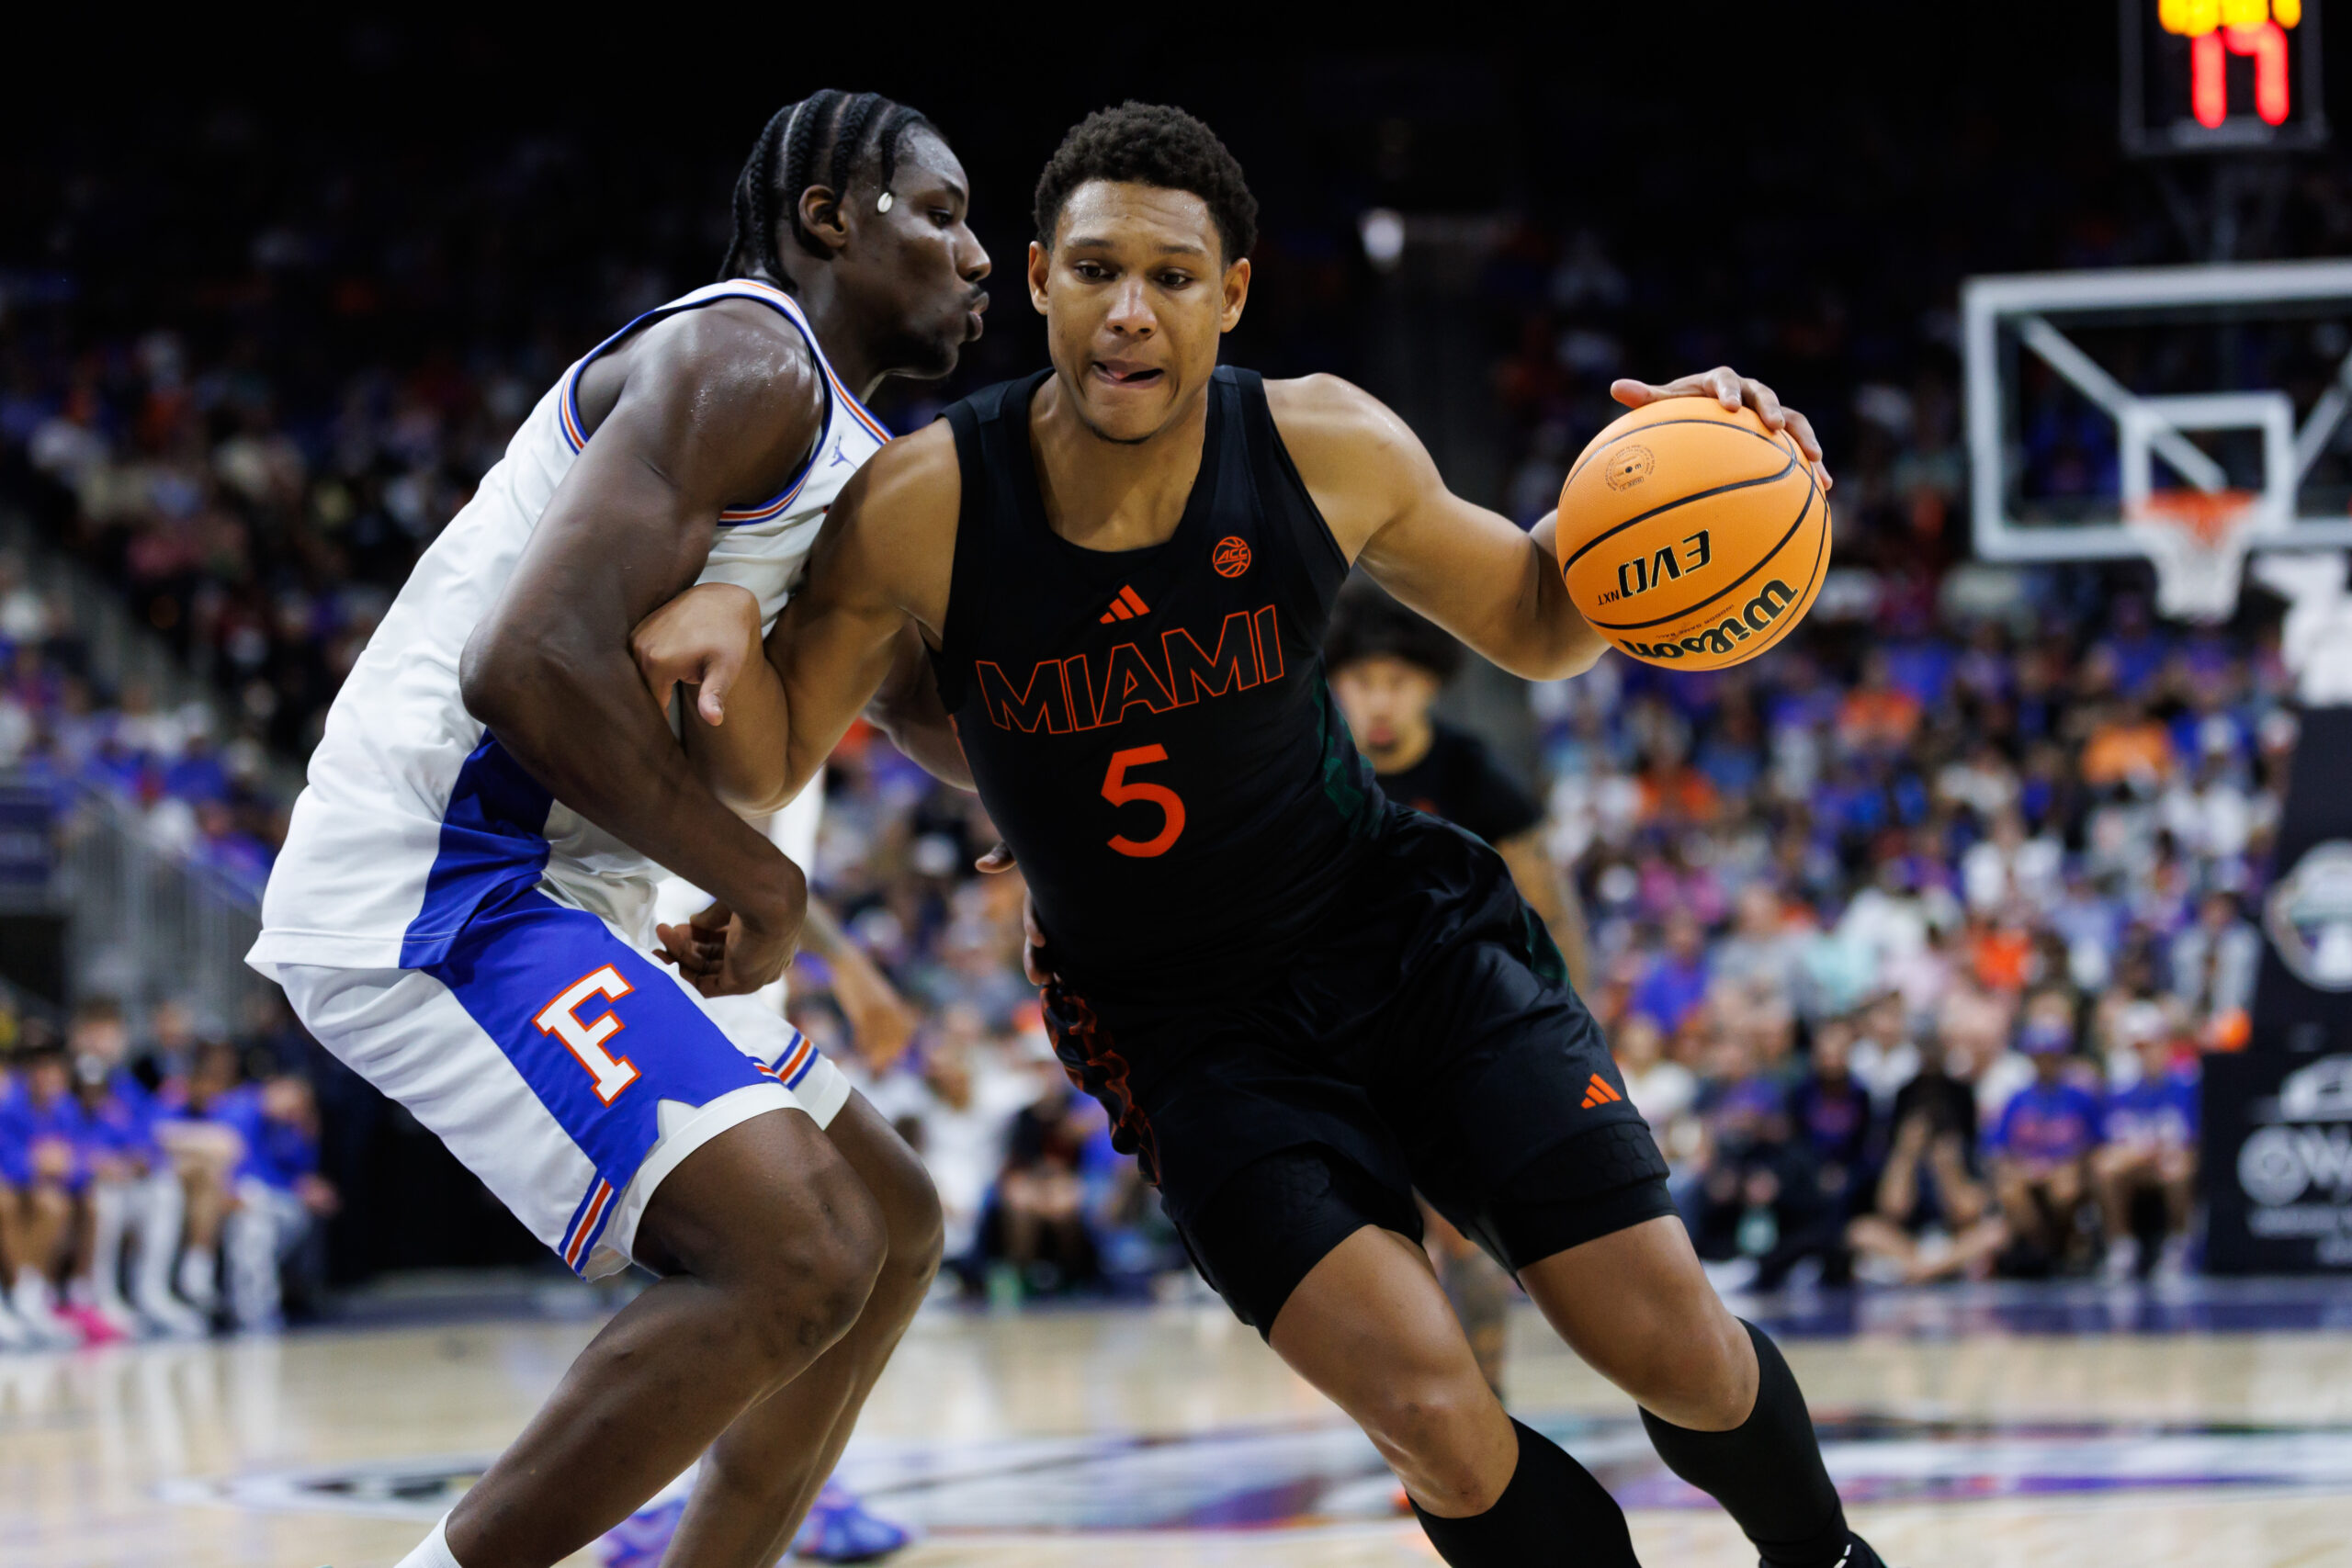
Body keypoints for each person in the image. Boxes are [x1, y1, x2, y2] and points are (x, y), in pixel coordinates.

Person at [637, 102, 1879, 1568]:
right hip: (1182, 1030)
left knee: (1674, 1344)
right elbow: (774, 749)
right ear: (1037, 277)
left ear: (1232, 294)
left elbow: (1543, 617)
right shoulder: (923, 503)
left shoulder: (1325, 441)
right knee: (1435, 1410)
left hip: (1402, 941)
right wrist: (724, 609)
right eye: (1096, 270)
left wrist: (1695, 462)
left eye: (1172, 277)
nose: (1129, 313)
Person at [245, 88, 990, 1568]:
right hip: (443, 875)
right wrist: (760, 880)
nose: (979, 257)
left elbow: (929, 714)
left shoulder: (856, 456)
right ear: (829, 218)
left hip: (568, 886)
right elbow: (522, 665)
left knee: (889, 1222)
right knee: (793, 1247)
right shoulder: (744, 355)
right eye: (945, 212)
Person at [1325, 580, 1589, 1398]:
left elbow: (1549, 911)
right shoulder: (1308, 773)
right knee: (1365, 1247)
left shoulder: (1475, 778)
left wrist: (1575, 1025)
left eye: (1396, 681)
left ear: (1431, 685)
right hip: (1336, 1030)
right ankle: (1419, 1421)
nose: (1378, 699)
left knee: (1464, 1240)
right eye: (1363, 680)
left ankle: (1490, 1413)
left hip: (1456, 1031)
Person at [1988, 1036, 2106, 1273]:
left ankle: (2066, 1246)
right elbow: (2000, 1149)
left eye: (2051, 1057)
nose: (2046, 1063)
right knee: (2010, 1191)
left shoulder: (2078, 1097)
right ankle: (2042, 1250)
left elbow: (2095, 1144)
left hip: (2067, 1169)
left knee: (2065, 1189)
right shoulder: (2017, 1099)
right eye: (2040, 1057)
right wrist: (2024, 1168)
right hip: (2026, 1171)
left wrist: (2066, 1165)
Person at [2095, 1024, 2199, 1280]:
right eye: (2141, 1050)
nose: (2148, 1055)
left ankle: (2178, 1246)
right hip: (2139, 1168)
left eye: (2153, 1047)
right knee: (2106, 1168)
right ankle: (2121, 1246)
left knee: (2178, 1168)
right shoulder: (2122, 1093)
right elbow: (2114, 1142)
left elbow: (2191, 1140)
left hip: (2171, 1163)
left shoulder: (2186, 1088)